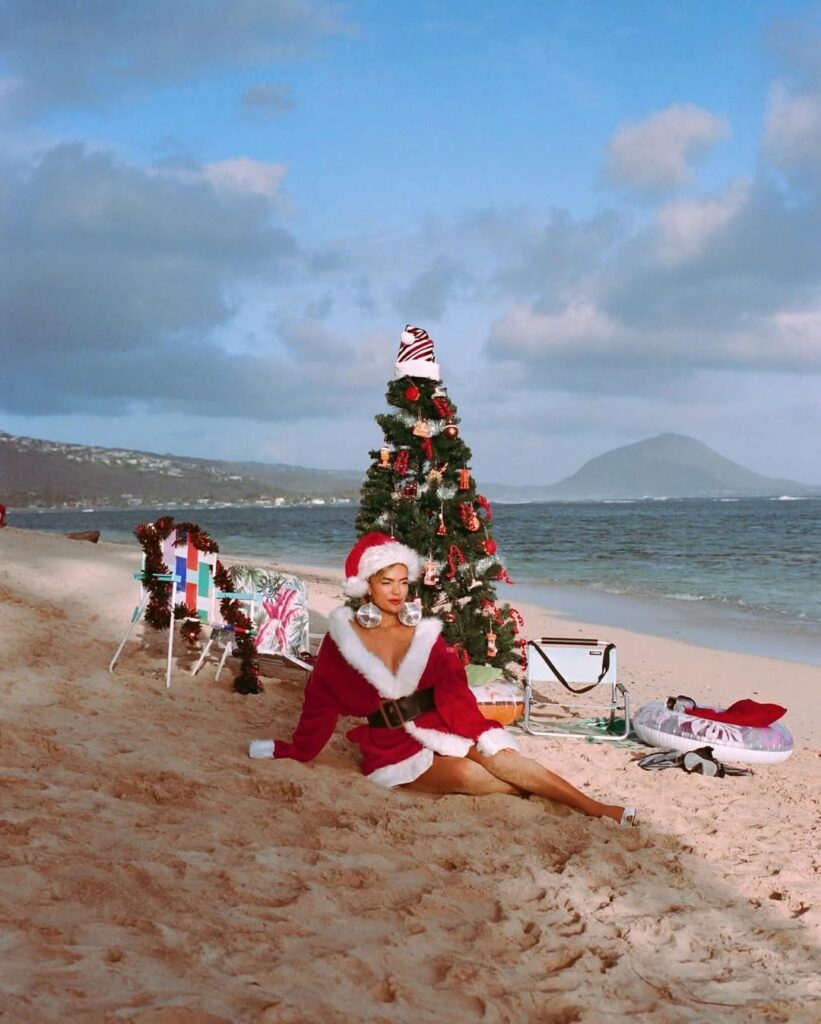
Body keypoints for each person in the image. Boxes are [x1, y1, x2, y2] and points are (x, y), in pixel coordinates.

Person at [249, 532, 638, 827]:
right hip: (391, 745)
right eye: (387, 582)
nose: (398, 591)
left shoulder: (421, 631)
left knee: (499, 757)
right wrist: (296, 750)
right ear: (366, 585)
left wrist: (479, 731)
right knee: (470, 775)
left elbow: (452, 685)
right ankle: (538, 794)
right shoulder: (343, 639)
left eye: (403, 581)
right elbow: (320, 701)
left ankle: (595, 807)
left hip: (442, 723)